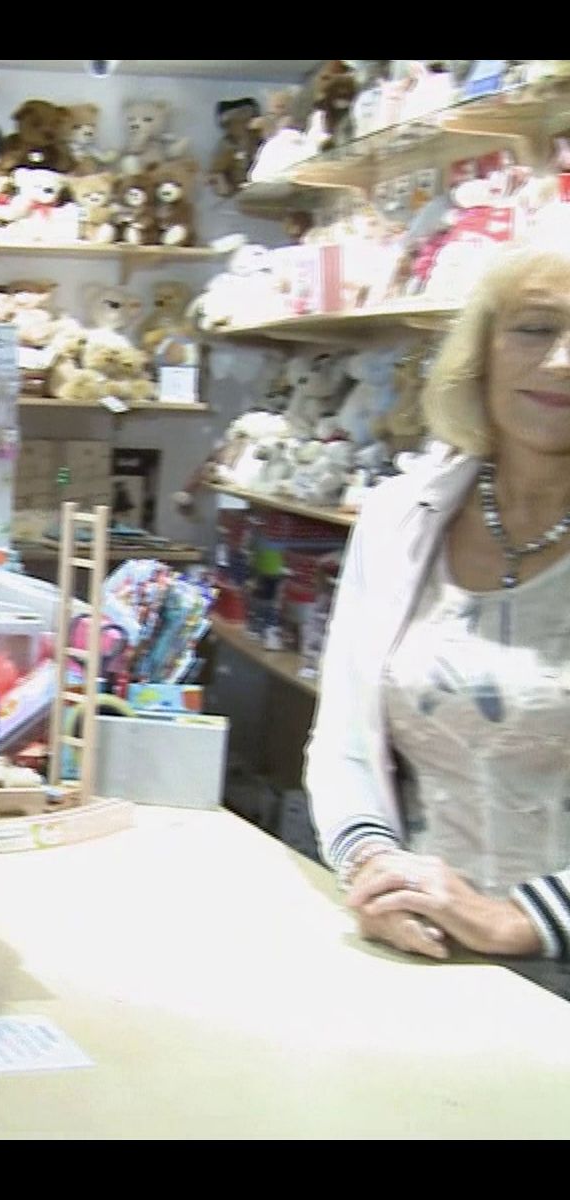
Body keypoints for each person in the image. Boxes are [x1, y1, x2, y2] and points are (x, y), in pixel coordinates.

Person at [307, 228, 570, 997]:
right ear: (481, 348)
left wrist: (520, 922)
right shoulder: (401, 517)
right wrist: (374, 867)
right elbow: (345, 739)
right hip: (425, 959)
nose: (562, 360)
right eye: (536, 327)